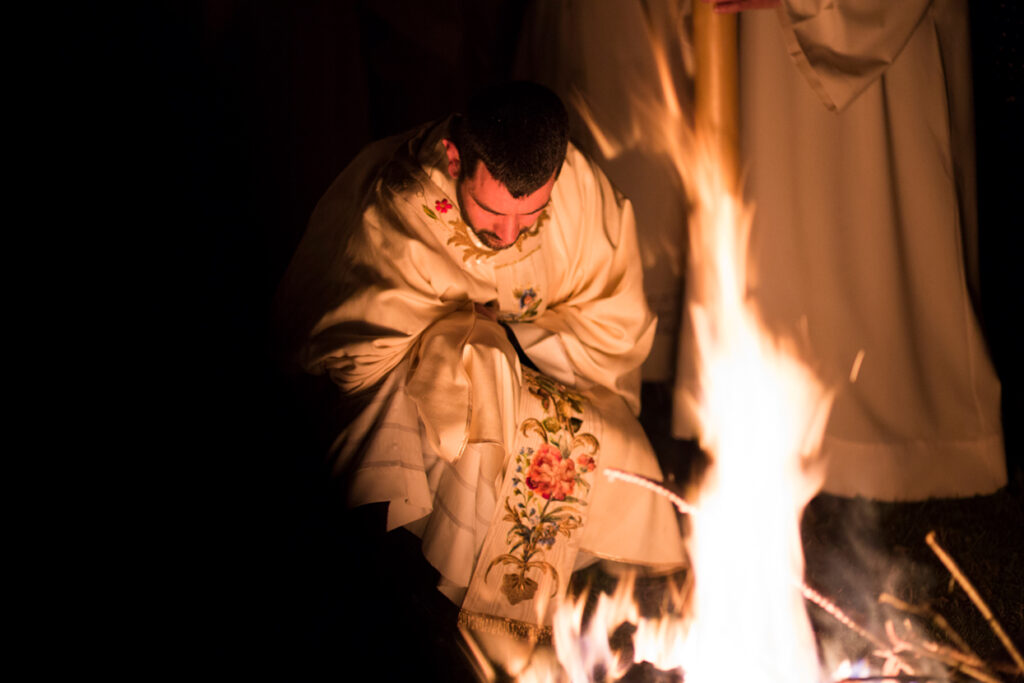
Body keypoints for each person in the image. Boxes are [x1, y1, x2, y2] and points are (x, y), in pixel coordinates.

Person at [276, 81, 685, 640]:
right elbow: (356, 360)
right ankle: (433, 616)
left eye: (531, 214)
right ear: (454, 158)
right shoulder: (400, 207)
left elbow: (615, 321)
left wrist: (526, 342)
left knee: (618, 455)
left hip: (553, 366)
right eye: (492, 214)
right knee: (479, 393)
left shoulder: (577, 190)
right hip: (427, 397)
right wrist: (464, 333)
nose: (510, 235)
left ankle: (572, 631)